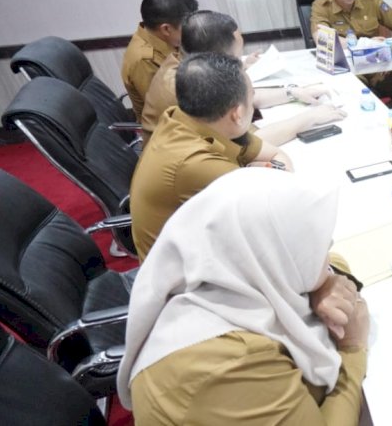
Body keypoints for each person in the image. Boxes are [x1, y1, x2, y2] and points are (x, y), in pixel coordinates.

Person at [119, 168, 368, 424]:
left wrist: (322, 284)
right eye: (318, 246)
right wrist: (352, 348)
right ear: (275, 256)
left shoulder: (233, 274)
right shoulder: (230, 363)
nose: (327, 251)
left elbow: (334, 262)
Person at [130, 52, 293, 261]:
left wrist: (270, 172)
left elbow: (273, 153)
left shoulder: (186, 117)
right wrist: (273, 171)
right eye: (251, 99)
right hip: (186, 281)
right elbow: (282, 206)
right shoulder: (194, 163)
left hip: (206, 246)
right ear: (237, 113)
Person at [142, 10, 346, 144]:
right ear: (218, 57)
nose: (239, 61)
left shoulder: (188, 63)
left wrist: (292, 92)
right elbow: (249, 142)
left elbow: (247, 96)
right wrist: (311, 117)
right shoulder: (190, 83)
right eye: (236, 55)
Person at [121, 0, 198, 118]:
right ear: (166, 29)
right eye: (187, 26)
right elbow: (166, 110)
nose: (191, 30)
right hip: (167, 128)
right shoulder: (143, 60)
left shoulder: (164, 39)